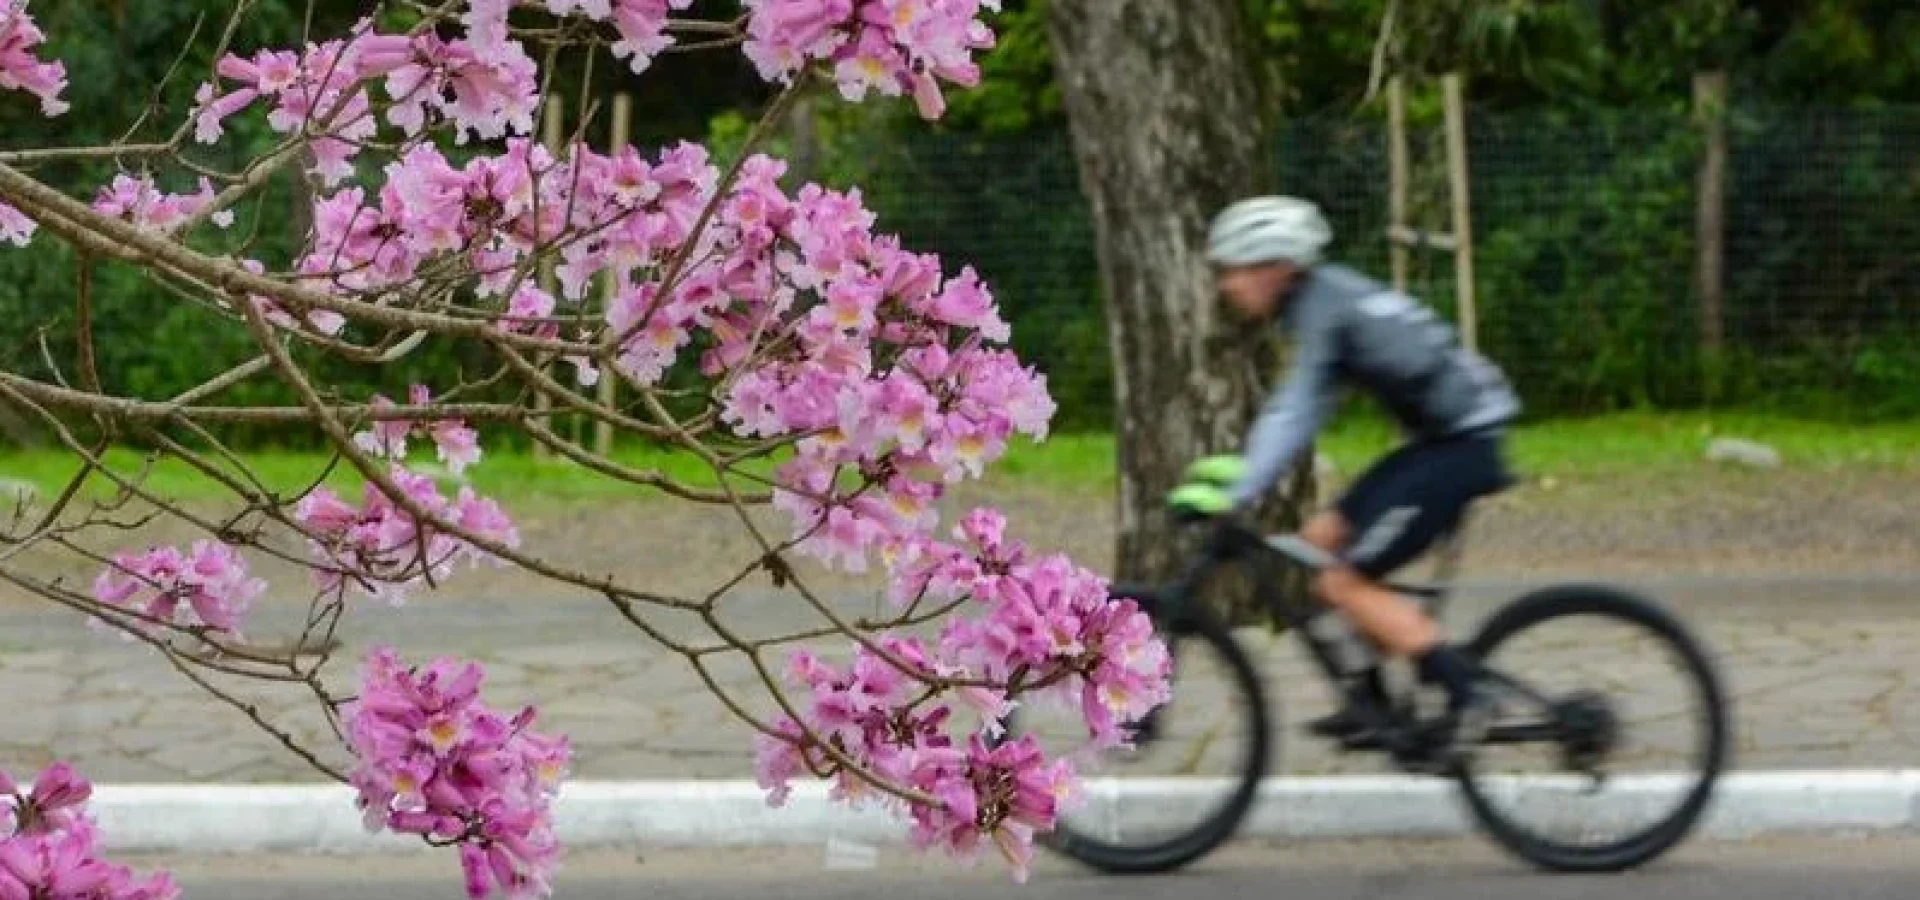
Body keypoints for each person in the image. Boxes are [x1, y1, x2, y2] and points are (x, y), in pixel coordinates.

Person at [1168, 195, 1522, 762]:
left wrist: (1239, 488)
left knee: (1342, 584)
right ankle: (1376, 705)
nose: (1227, 286)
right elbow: (1302, 407)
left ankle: (1469, 693)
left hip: (1462, 447)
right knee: (1319, 542)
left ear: (1276, 268)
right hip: (1443, 440)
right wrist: (1247, 467)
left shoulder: (1324, 309)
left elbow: (1298, 406)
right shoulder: (1325, 298)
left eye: (1236, 270)